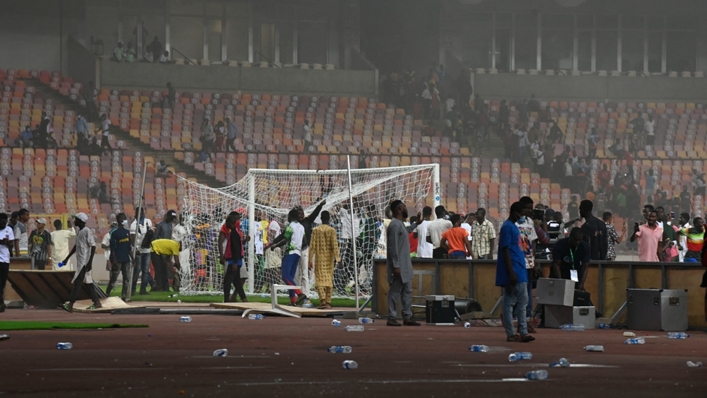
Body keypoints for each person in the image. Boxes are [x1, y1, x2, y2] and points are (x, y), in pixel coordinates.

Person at [497, 202, 534, 343]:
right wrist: (511, 271)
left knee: (510, 301)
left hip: (517, 267)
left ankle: (512, 333)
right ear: (516, 213)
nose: (524, 216)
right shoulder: (508, 227)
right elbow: (505, 250)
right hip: (515, 269)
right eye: (523, 213)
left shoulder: (512, 227)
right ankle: (522, 331)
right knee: (522, 301)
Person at [386, 200, 420, 327]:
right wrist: (396, 265)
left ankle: (407, 316)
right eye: (404, 207)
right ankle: (391, 317)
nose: (406, 209)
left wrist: (417, 224)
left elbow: (407, 231)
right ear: (400, 209)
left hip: (405, 265)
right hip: (399, 265)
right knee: (394, 291)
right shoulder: (394, 225)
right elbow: (392, 247)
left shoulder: (400, 224)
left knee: (407, 291)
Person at [61, 213, 103, 312]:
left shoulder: (87, 231)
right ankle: (97, 302)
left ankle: (70, 304)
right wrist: (67, 258)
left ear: (80, 220)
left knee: (78, 283)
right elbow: (76, 246)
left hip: (85, 263)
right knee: (88, 283)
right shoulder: (79, 232)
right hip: (81, 262)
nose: (74, 221)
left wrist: (89, 263)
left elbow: (93, 246)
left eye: (76, 219)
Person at [268, 209, 307, 306]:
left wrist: (275, 246)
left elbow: (285, 240)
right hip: (298, 254)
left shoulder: (291, 226)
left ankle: (300, 294)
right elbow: (305, 241)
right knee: (290, 278)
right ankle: (293, 301)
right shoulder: (301, 227)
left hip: (290, 253)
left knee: (285, 276)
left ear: (291, 217)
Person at [309, 211, 341, 309]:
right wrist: (338, 259)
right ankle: (328, 302)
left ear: (321, 218)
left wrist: (309, 259)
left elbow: (312, 246)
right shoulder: (332, 230)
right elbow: (335, 246)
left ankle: (322, 300)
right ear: (329, 218)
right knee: (329, 279)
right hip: (329, 259)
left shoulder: (315, 230)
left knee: (319, 279)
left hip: (319, 258)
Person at [295, 200, 325, 295]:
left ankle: (306, 294)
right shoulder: (293, 224)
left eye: (302, 213)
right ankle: (296, 294)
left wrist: (320, 205)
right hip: (295, 250)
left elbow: (314, 214)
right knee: (296, 274)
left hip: (304, 250)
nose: (300, 215)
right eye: (299, 213)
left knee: (304, 273)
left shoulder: (307, 221)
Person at [107, 215, 134, 301]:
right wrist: (114, 260)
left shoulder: (127, 232)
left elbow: (129, 247)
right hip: (117, 259)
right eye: (124, 219)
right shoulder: (114, 232)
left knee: (126, 278)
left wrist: (132, 258)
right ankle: (106, 294)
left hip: (126, 258)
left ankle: (123, 296)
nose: (125, 220)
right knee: (114, 278)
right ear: (119, 220)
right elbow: (113, 248)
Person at [222, 212, 247, 303]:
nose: (226, 224)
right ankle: (244, 299)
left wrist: (235, 262)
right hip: (235, 260)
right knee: (236, 282)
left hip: (234, 261)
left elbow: (236, 248)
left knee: (227, 281)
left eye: (227, 222)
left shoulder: (234, 234)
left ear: (231, 223)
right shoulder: (234, 232)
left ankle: (226, 300)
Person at [130, 207, 155, 295]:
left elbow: (151, 234)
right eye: (138, 212)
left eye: (142, 212)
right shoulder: (134, 224)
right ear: (136, 213)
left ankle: (143, 289)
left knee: (145, 270)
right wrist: (135, 249)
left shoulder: (148, 221)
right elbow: (132, 239)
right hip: (138, 251)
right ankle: (132, 289)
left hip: (147, 249)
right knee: (137, 270)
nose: (140, 214)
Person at [0, 213, 15, 313]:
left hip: (5, 260)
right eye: (2, 220)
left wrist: (7, 243)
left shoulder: (9, 230)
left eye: (5, 220)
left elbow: (12, 244)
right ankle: (1, 303)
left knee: (2, 283)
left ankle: (1, 302)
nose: (3, 222)